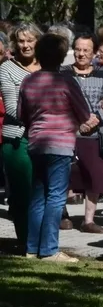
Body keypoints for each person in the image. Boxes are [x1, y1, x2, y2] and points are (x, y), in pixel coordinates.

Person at [19, 33, 92, 262]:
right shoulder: (66, 81)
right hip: (60, 145)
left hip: (36, 143)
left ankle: (32, 248)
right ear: (61, 57)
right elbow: (84, 113)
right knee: (55, 197)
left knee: (37, 197)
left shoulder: (28, 81)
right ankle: (49, 249)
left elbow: (22, 114)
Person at [62, 33, 103, 234]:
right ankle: (62, 215)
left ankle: (88, 220)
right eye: (78, 49)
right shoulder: (64, 73)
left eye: (86, 50)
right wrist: (79, 122)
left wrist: (95, 119)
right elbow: (61, 101)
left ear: (93, 53)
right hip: (69, 133)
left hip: (94, 134)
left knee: (93, 176)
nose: (81, 54)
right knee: (64, 176)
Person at [0, 22, 44, 244]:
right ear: (15, 44)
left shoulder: (49, 66)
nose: (26, 45)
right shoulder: (6, 69)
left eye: (30, 40)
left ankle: (46, 243)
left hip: (48, 139)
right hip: (18, 140)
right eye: (21, 41)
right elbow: (11, 107)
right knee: (23, 195)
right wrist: (47, 115)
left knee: (46, 194)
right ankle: (27, 242)